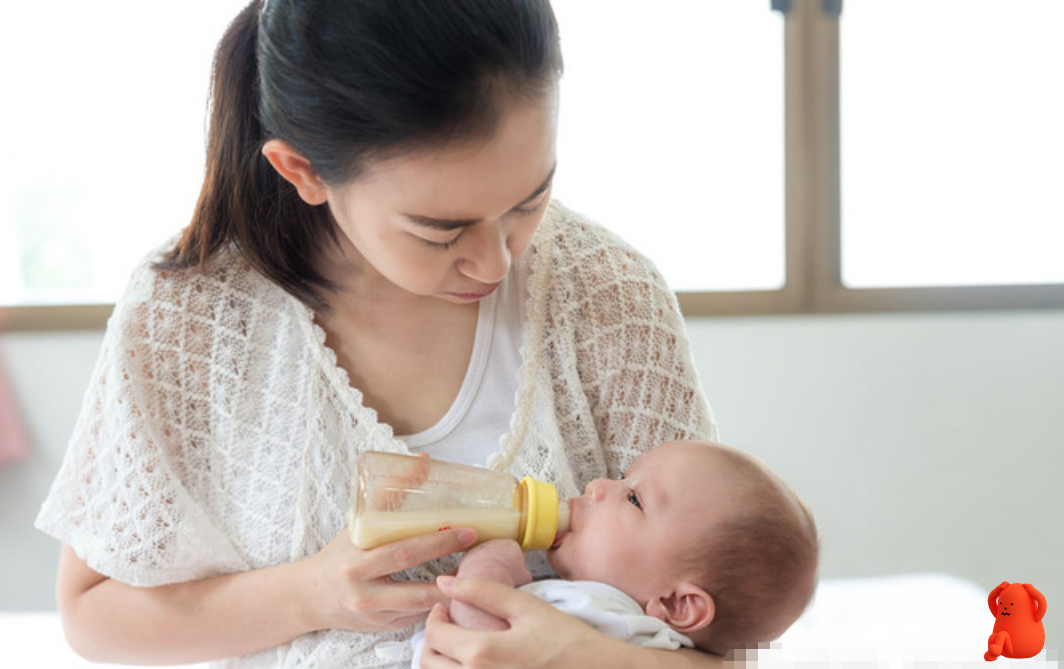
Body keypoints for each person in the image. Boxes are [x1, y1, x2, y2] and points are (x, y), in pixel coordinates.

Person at [35, 1, 722, 668]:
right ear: (300, 170)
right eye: (440, 230)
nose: (496, 260)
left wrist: (589, 657)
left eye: (529, 200)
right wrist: (312, 595)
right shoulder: (190, 315)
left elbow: (727, 620)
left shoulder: (610, 295)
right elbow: (94, 615)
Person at [402, 440, 818, 666]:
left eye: (633, 499)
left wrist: (489, 561)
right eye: (623, 477)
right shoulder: (645, 641)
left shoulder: (605, 614)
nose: (598, 485)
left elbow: (481, 637)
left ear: (676, 603)